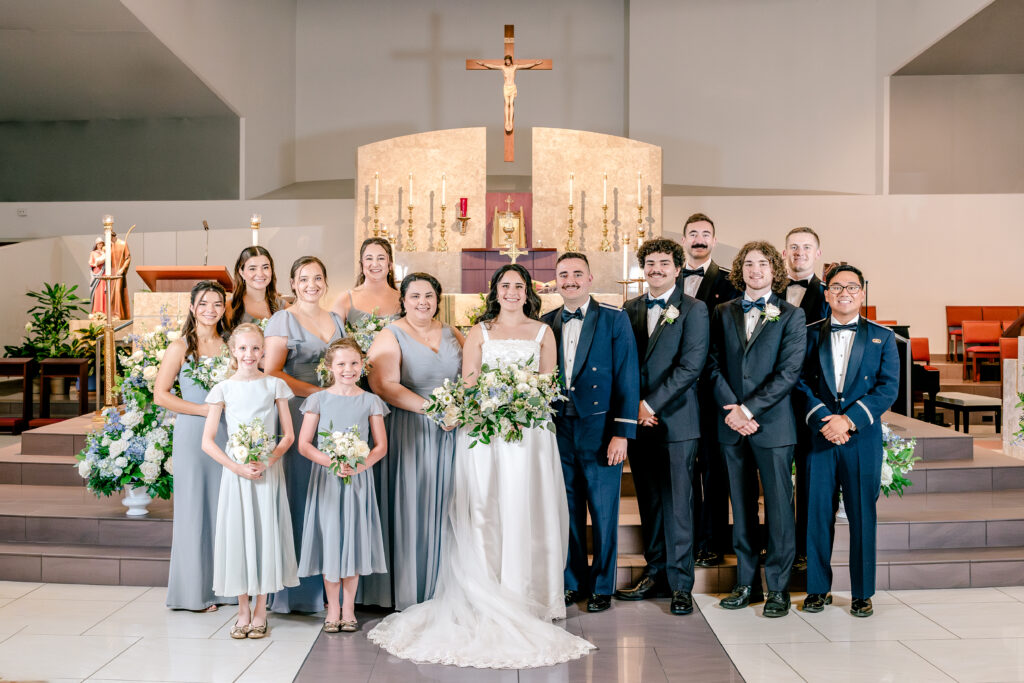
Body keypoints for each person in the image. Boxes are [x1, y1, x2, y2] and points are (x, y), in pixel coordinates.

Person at [367, 264, 595, 668]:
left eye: (518, 286)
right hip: (486, 432)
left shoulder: (544, 332)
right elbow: (469, 385)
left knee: (527, 507)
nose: (511, 292)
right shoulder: (477, 332)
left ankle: (531, 591)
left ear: (528, 292)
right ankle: (485, 587)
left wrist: (522, 406)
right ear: (495, 291)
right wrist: (493, 407)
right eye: (504, 285)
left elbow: (548, 385)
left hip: (529, 433)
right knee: (485, 508)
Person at [707, 241, 806, 617]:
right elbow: (711, 363)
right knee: (742, 507)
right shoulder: (722, 311)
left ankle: (777, 588)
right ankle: (746, 583)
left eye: (762, 264)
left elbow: (788, 373)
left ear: (773, 270)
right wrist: (732, 409)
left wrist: (749, 408)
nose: (755, 270)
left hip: (773, 425)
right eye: (748, 264)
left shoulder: (791, 315)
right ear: (740, 270)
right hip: (731, 424)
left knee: (780, 508)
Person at [797, 265, 899, 618]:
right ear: (826, 293)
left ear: (862, 293)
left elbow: (887, 389)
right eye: (836, 287)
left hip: (861, 441)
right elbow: (798, 383)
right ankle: (816, 590)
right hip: (820, 436)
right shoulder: (808, 334)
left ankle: (862, 593)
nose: (844, 292)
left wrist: (849, 421)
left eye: (851, 287)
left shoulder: (883, 337)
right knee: (815, 514)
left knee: (861, 515)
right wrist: (826, 420)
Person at [615, 239, 709, 616]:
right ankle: (654, 575)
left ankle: (681, 585)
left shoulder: (694, 309)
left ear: (676, 267)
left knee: (678, 507)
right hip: (640, 424)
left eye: (663, 262)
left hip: (676, 422)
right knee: (650, 504)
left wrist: (650, 404)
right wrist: (635, 408)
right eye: (650, 262)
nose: (656, 268)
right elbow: (624, 363)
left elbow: (691, 366)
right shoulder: (629, 308)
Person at [543, 252, 639, 613]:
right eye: (563, 274)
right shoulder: (545, 322)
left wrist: (622, 432)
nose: (570, 280)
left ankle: (602, 585)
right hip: (557, 427)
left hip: (600, 428)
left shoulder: (615, 319)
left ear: (590, 278)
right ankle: (571, 581)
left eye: (577, 274)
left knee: (602, 510)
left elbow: (628, 377)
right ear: (556, 280)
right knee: (566, 508)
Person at [366, 273, 464, 610]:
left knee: (451, 505)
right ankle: (413, 586)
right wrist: (435, 410)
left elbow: (472, 375)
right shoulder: (390, 334)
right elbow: (383, 385)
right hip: (412, 430)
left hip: (453, 433)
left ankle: (447, 584)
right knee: (415, 503)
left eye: (429, 296)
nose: (423, 302)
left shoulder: (453, 332)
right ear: (403, 301)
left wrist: (459, 408)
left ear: (438, 299)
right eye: (415, 296)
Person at [202, 323, 299, 639]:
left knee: (264, 532)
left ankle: (261, 610)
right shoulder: (223, 389)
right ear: (232, 351)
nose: (249, 354)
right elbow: (208, 441)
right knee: (239, 533)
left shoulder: (274, 386)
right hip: (237, 474)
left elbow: (288, 435)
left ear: (263, 351)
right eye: (242, 348)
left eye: (255, 348)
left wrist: (269, 461)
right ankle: (242, 609)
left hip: (266, 470)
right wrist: (236, 467)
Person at [264, 256, 346, 614]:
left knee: (332, 499)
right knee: (302, 495)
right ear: (293, 284)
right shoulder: (283, 318)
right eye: (303, 279)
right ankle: (298, 593)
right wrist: (316, 395)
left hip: (337, 417)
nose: (311, 284)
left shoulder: (337, 320)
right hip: (299, 414)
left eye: (317, 278)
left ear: (325, 282)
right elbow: (273, 371)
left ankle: (333, 587)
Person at [297, 338, 389, 633]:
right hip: (327, 480)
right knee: (331, 540)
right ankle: (332, 607)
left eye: (353, 363)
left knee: (353, 540)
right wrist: (332, 463)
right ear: (329, 368)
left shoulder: (371, 401)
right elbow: (304, 444)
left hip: (357, 481)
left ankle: (349, 608)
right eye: (341, 364)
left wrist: (361, 465)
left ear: (362, 365)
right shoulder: (318, 399)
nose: (348, 369)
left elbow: (380, 446)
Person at [155, 281, 233, 612]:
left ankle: (227, 589)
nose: (211, 310)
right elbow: (161, 395)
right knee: (194, 510)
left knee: (225, 508)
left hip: (228, 433)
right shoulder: (180, 347)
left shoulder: (231, 345)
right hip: (192, 433)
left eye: (217, 303)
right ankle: (193, 593)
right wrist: (204, 409)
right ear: (192, 308)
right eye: (203, 304)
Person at [676, 212, 740, 568]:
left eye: (705, 234)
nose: (699, 239)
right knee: (682, 468)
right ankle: (683, 538)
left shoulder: (729, 283)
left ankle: (712, 541)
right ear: (684, 240)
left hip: (713, 389)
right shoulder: (668, 278)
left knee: (714, 470)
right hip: (678, 394)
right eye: (693, 234)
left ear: (714, 241)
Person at [783, 226, 830, 572]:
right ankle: (778, 545)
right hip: (771, 400)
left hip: (811, 397)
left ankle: (804, 550)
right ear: (784, 254)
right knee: (775, 477)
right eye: (793, 247)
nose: (799, 253)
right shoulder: (767, 291)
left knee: (810, 480)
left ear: (817, 254)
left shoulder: (832, 295)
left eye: (806, 247)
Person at [331, 237, 402, 328]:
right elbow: (333, 338)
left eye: (381, 258)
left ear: (390, 265)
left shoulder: (403, 300)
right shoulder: (345, 299)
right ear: (361, 265)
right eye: (369, 258)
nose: (375, 264)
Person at [474, 55, 545, 132]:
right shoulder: (503, 67)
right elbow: (492, 66)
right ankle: (507, 121)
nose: (507, 62)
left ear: (511, 60)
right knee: (506, 103)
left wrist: (534, 64)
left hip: (512, 87)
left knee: (511, 103)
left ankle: (510, 121)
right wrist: (483, 64)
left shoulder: (514, 67)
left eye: (508, 60)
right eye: (506, 61)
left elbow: (525, 66)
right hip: (506, 87)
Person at [228, 246, 286, 327]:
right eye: (252, 268)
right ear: (241, 272)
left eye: (265, 267)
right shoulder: (229, 307)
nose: (260, 274)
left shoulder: (284, 307)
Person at [107, 230, 132, 319]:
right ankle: (110, 314)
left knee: (117, 291)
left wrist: (122, 269)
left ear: (112, 235)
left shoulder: (122, 243)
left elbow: (128, 258)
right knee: (109, 293)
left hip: (119, 273)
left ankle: (118, 314)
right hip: (110, 273)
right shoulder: (108, 246)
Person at [88, 238, 105, 314]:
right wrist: (96, 263)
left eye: (101, 243)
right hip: (97, 272)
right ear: (96, 245)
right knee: (97, 291)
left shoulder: (105, 252)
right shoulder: (93, 253)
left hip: (104, 272)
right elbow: (91, 262)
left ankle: (104, 310)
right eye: (98, 244)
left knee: (104, 291)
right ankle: (96, 311)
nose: (100, 245)